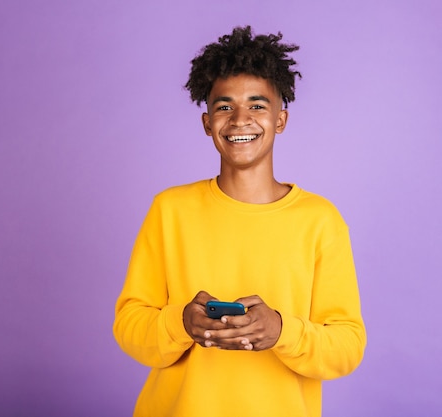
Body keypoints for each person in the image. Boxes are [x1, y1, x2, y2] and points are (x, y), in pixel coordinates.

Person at [113, 26, 366, 417]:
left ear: (280, 119)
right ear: (207, 122)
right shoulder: (170, 210)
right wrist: (182, 322)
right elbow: (130, 327)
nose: (240, 119)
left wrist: (282, 331)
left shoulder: (320, 220)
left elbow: (347, 347)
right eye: (224, 106)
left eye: (257, 105)